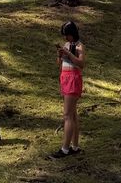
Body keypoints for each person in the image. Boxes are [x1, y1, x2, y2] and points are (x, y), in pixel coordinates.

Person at [50, 20, 85, 159]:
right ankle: (75, 146)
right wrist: (60, 55)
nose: (65, 38)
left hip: (73, 79)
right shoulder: (66, 45)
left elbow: (82, 64)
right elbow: (59, 64)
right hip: (64, 78)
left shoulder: (79, 46)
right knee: (73, 115)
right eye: (64, 35)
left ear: (73, 34)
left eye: (67, 35)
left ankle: (65, 149)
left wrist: (70, 54)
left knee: (67, 115)